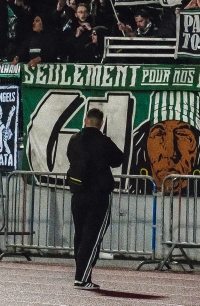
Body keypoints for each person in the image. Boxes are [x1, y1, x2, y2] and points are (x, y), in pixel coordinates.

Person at [66, 107, 125, 290]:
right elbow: (118, 159)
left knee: (81, 235)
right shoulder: (103, 141)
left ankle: (82, 274)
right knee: (92, 237)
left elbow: (70, 157)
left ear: (85, 120)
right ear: (101, 123)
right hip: (98, 195)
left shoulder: (74, 140)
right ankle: (82, 278)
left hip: (78, 194)